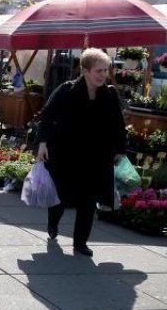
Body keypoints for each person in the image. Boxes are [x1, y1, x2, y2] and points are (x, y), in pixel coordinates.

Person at [36, 48, 127, 257]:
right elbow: (47, 117)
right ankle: (53, 222)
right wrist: (42, 144)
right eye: (98, 70)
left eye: (105, 70)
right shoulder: (67, 90)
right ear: (85, 70)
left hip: (97, 156)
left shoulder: (110, 93)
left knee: (89, 200)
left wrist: (120, 149)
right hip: (65, 153)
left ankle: (80, 243)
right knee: (60, 196)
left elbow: (118, 124)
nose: (103, 75)